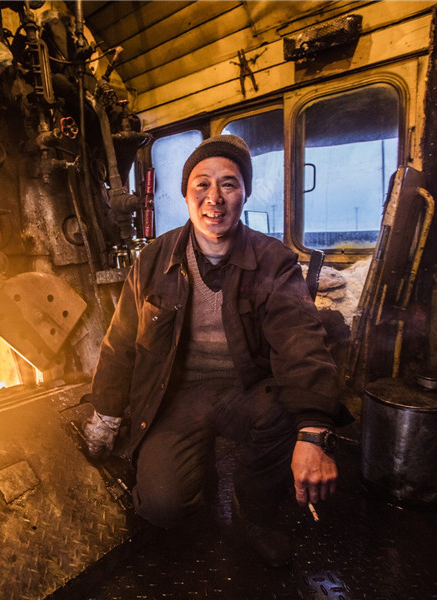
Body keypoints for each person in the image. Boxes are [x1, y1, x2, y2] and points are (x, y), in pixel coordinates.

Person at [82, 134, 352, 566]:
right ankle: (195, 476)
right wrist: (106, 414)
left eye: (229, 184)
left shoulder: (273, 260)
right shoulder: (152, 261)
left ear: (244, 192)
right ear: (186, 194)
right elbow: (119, 345)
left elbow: (301, 340)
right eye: (202, 184)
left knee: (284, 413)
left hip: (245, 390)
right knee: (162, 507)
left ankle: (256, 510)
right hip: (177, 394)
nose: (215, 198)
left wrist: (314, 431)